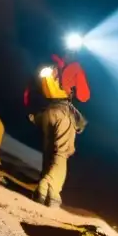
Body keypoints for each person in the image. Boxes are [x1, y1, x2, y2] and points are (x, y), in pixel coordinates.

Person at [24, 49, 90, 208]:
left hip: (46, 113)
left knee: (49, 153)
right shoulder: (73, 67)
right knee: (61, 153)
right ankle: (45, 185)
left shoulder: (46, 67)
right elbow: (84, 96)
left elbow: (29, 92)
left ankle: (49, 194)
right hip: (63, 112)